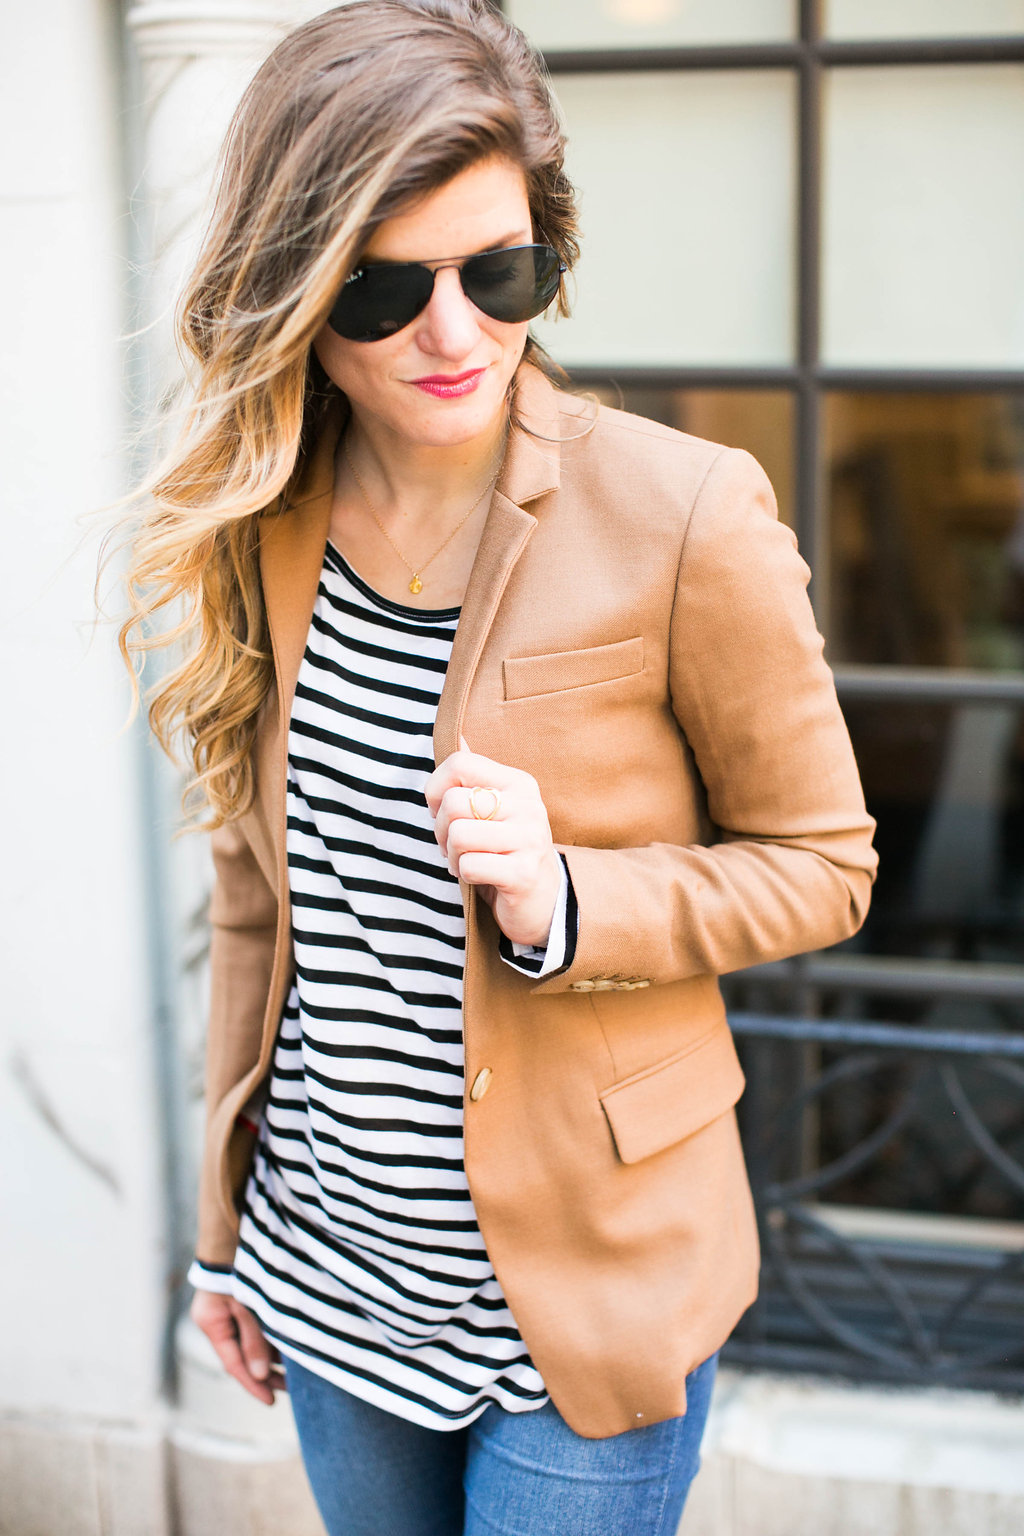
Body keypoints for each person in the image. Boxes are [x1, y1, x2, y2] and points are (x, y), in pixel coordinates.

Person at [119, 2, 877, 1532]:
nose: (455, 333)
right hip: (331, 1284)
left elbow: (827, 865)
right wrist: (222, 1235)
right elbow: (258, 906)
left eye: (502, 272)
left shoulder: (686, 515)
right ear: (296, 289)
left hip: (583, 1311)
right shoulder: (266, 520)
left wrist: (569, 896)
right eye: (388, 289)